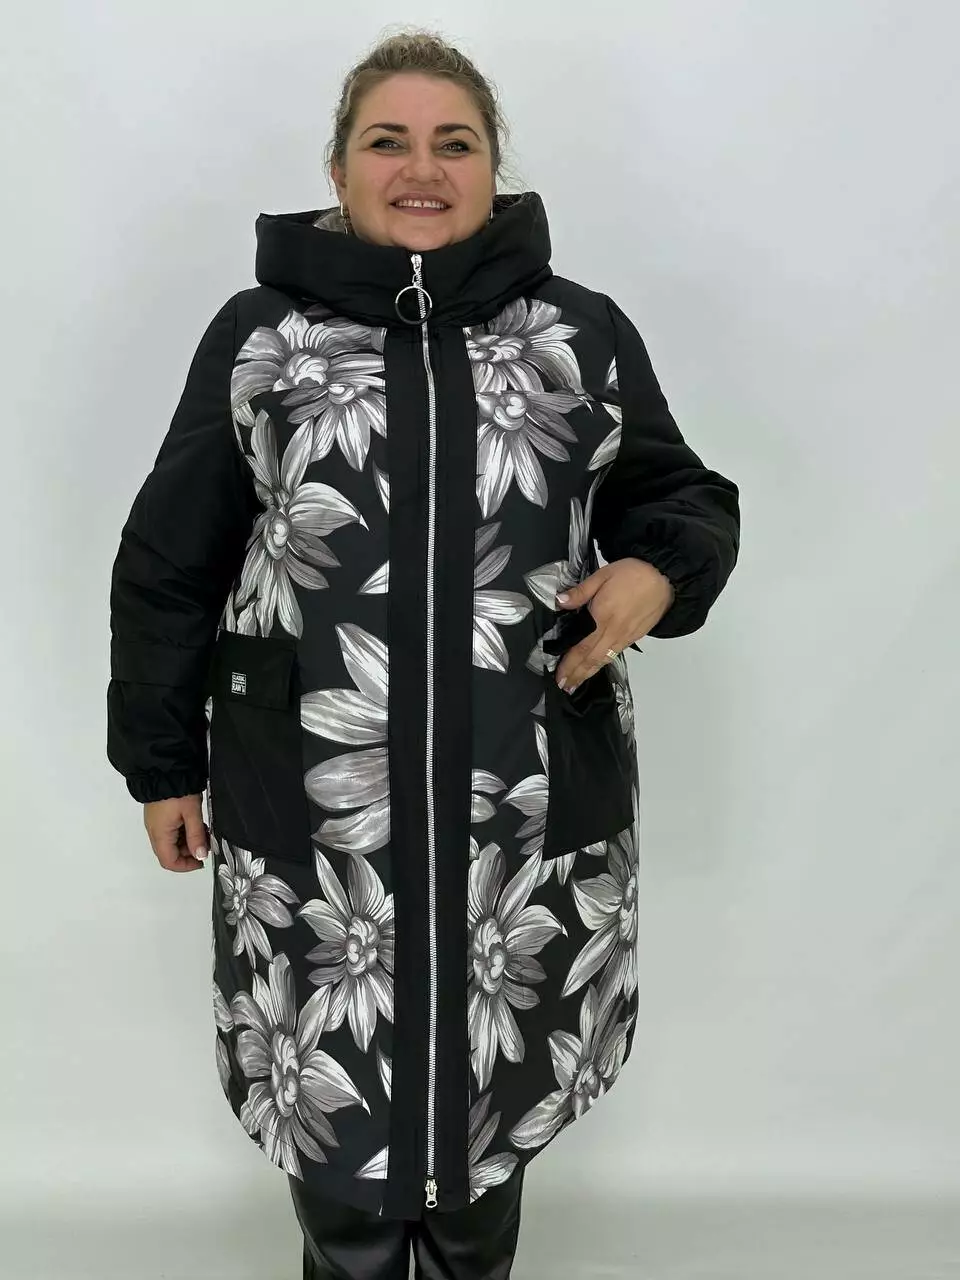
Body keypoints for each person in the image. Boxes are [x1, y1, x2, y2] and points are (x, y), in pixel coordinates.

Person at [106, 28, 740, 1280]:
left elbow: (682, 495)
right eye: (386, 140)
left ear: (494, 170)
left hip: (525, 799)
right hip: (317, 807)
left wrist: (658, 569)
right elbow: (169, 562)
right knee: (339, 1141)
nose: (422, 167)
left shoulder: (579, 335)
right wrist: (161, 762)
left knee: (483, 1145)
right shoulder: (260, 339)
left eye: (456, 142)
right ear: (339, 170)